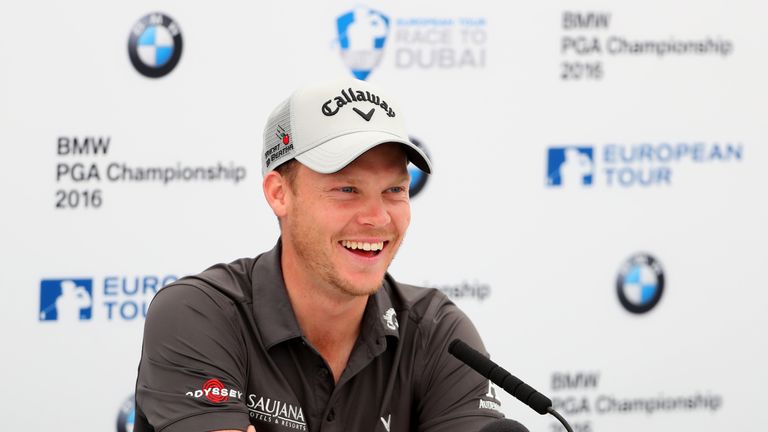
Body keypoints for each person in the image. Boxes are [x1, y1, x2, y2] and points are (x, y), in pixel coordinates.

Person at [134, 78, 504, 432]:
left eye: (394, 189)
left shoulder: (440, 335)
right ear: (279, 193)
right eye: (346, 189)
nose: (377, 217)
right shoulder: (199, 314)